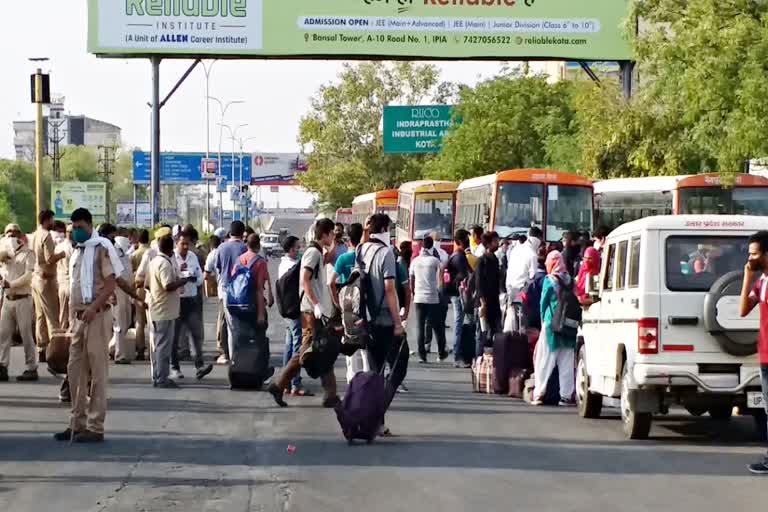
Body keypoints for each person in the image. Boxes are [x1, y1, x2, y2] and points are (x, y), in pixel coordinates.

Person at [54, 208, 121, 443]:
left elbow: (111, 284)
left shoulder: (101, 247)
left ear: (90, 225)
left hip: (98, 315)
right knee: (75, 370)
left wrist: (94, 307)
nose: (76, 230)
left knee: (98, 371)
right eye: (74, 227)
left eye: (80, 226)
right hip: (80, 318)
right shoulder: (77, 251)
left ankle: (95, 426)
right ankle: (77, 421)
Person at [268, 219, 340, 408]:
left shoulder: (317, 252)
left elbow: (327, 260)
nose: (332, 236)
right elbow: (304, 280)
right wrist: (316, 304)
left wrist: (336, 243)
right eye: (331, 233)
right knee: (307, 351)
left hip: (315, 312)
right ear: (324, 234)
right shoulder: (312, 253)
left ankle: (330, 394)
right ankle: (279, 384)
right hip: (310, 313)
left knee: (321, 351)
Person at [358, 213, 406, 435]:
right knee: (398, 368)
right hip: (385, 321)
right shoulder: (386, 253)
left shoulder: (361, 250)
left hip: (365, 320)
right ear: (385, 229)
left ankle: (376, 421)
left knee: (375, 371)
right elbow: (389, 289)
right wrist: (398, 323)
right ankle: (375, 415)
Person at [531, 251, 577, 407]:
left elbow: (543, 304)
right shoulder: (571, 280)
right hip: (569, 326)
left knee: (544, 361)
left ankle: (539, 393)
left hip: (552, 326)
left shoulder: (549, 280)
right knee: (567, 363)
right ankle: (565, 396)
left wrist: (543, 322)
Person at [739, 231, 768, 474]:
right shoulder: (761, 283)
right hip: (765, 354)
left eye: (754, 253)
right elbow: (742, 310)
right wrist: (747, 278)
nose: (750, 258)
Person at [149, 235, 193, 388]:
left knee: (159, 345)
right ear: (170, 248)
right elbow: (168, 286)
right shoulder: (164, 264)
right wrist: (183, 281)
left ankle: (158, 376)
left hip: (158, 308)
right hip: (164, 311)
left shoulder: (154, 261)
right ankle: (162, 378)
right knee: (163, 346)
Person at [171, 232, 213, 381]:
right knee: (175, 336)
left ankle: (199, 365)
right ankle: (174, 367)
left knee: (195, 334)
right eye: (182, 243)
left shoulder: (192, 256)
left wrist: (194, 278)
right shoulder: (172, 258)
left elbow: (200, 278)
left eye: (187, 244)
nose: (185, 247)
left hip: (191, 299)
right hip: (177, 300)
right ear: (176, 243)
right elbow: (169, 280)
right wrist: (181, 274)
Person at [0, 225, 38, 381]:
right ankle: (2, 366)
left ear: (20, 235)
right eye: (8, 232)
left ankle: (31, 367)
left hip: (23, 298)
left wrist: (12, 284)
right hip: (8, 300)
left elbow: (29, 275)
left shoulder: (28, 253)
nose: (11, 235)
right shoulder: (4, 252)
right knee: (3, 334)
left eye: (14, 232)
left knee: (26, 334)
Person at [278, 235, 311, 396]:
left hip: (285, 310)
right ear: (291, 249)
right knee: (298, 347)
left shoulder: (282, 264)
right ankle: (295, 384)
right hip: (294, 310)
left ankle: (285, 383)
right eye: (297, 247)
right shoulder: (294, 267)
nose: (299, 250)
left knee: (289, 345)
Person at [32, 210, 65, 361]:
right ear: (47, 220)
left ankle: (42, 348)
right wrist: (62, 255)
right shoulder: (46, 235)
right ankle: (55, 352)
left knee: (40, 316)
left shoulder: (34, 234)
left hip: (36, 277)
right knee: (52, 316)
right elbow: (50, 258)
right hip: (46, 279)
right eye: (52, 219)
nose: (53, 222)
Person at [410, 236, 448, 363]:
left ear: (422, 246)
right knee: (437, 326)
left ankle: (422, 355)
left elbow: (411, 279)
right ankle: (441, 352)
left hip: (418, 297)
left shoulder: (415, 261)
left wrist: (413, 292)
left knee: (420, 326)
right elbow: (441, 279)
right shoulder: (435, 261)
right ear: (432, 246)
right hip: (432, 297)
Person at [214, 221, 247, 364]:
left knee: (226, 323)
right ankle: (239, 356)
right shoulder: (244, 248)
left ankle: (227, 353)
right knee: (240, 325)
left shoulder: (221, 247)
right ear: (242, 233)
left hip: (224, 290)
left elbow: (218, 268)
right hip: (241, 292)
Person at [446, 229, 472, 368]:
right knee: (459, 323)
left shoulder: (455, 255)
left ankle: (458, 354)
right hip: (459, 294)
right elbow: (465, 274)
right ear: (461, 241)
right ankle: (457, 355)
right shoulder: (459, 257)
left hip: (456, 293)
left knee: (460, 322)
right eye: (467, 239)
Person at [475, 232, 502, 357]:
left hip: (494, 302)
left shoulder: (495, 259)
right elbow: (479, 283)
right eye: (496, 241)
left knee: (496, 333)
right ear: (490, 243)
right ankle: (479, 359)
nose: (498, 243)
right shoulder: (482, 260)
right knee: (482, 334)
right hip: (484, 303)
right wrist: (483, 304)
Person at [506, 226, 544, 300]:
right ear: (539, 239)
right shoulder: (532, 255)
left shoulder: (516, 249)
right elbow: (532, 277)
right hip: (523, 292)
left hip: (510, 288)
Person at [54, 225, 74, 331]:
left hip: (61, 283)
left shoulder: (59, 247)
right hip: (70, 283)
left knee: (63, 312)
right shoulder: (74, 248)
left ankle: (62, 335)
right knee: (71, 313)